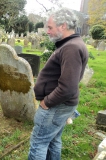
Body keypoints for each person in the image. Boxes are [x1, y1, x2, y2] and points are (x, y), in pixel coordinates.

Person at [28, 8, 89, 160]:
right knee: (53, 140)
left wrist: (46, 103)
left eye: (50, 27)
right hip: (61, 105)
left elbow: (68, 87)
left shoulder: (71, 47)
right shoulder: (71, 44)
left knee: (39, 143)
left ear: (63, 26)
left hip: (56, 106)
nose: (47, 31)